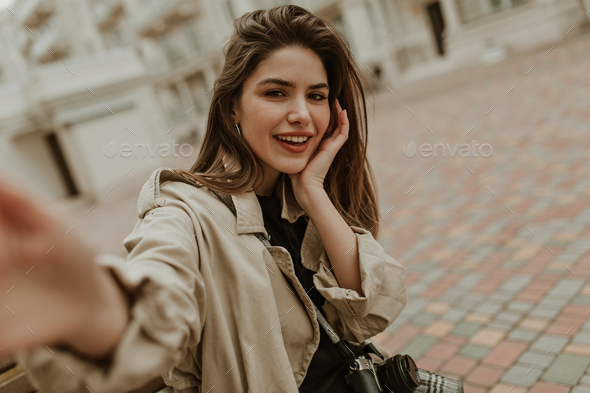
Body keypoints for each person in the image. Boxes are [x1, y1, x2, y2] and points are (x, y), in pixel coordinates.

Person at [0, 5, 407, 393]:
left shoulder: (300, 194)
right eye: (276, 93)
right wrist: (94, 308)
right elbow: (162, 284)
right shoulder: (185, 210)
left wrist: (314, 191)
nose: (302, 113)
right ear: (233, 106)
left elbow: (367, 313)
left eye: (316, 96)